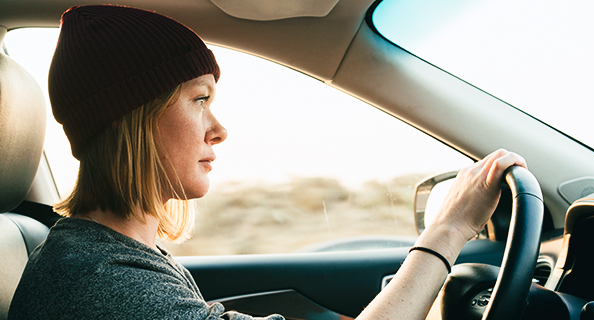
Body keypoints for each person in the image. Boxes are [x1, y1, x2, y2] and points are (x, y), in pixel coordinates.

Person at [7, 5, 527, 320]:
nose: (219, 128)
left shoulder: (112, 256)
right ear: (133, 119)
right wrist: (448, 229)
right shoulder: (103, 283)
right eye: (199, 99)